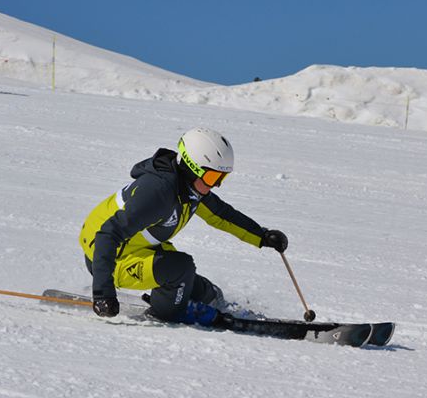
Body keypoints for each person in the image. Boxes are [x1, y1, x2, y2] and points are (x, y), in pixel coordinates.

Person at [79, 127, 288, 325]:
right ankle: (168, 313)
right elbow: (107, 235)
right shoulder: (157, 194)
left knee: (207, 293)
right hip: (108, 258)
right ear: (191, 166)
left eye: (222, 177)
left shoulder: (191, 188)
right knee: (181, 268)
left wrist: (262, 236)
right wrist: (102, 294)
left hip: (136, 249)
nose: (216, 185)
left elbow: (222, 215)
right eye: (213, 177)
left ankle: (181, 302)